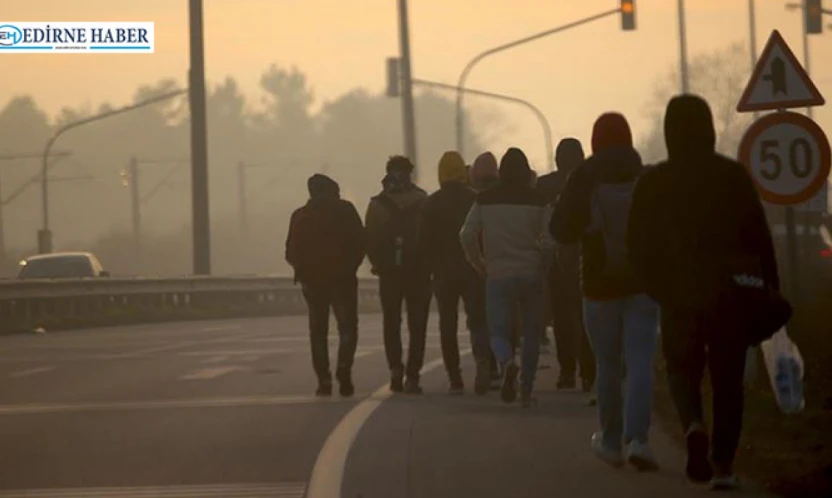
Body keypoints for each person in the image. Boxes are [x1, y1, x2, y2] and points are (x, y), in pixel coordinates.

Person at [627, 95, 781, 490]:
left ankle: (694, 424)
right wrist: (770, 289)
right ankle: (724, 465)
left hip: (678, 294)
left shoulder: (654, 181)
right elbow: (759, 237)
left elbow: (637, 245)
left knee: (681, 368)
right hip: (730, 294)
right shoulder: (731, 176)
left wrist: (655, 286)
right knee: (728, 378)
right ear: (709, 128)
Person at [551, 113, 659, 471]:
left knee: (608, 364)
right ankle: (639, 439)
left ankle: (611, 441)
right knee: (640, 360)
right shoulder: (644, 175)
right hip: (643, 283)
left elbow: (560, 230)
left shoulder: (584, 176)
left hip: (598, 285)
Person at [460, 147, 551, 408]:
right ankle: (526, 391)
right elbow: (549, 241)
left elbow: (465, 234)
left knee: (497, 331)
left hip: (497, 274)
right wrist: (543, 265)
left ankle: (506, 362)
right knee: (532, 334)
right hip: (532, 273)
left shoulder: (485, 199)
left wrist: (478, 263)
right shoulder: (539, 199)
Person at [285, 174, 365, 397]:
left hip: (312, 283)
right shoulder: (346, 211)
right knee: (347, 327)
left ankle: (324, 380)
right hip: (343, 281)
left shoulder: (300, 215)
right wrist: (350, 267)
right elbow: (361, 242)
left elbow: (289, 251)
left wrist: (305, 271)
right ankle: (344, 369)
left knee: (318, 331)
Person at [420, 151, 491, 395]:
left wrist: (430, 269)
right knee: (478, 320)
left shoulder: (431, 203)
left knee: (447, 324)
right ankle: (483, 364)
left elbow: (423, 242)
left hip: (443, 273)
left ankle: (455, 377)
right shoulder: (475, 199)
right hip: (472, 270)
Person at [365, 156, 432, 394]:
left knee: (391, 323)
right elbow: (430, 238)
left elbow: (369, 240)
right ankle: (413, 376)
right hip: (418, 273)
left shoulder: (376, 205)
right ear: (410, 172)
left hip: (389, 274)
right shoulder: (423, 201)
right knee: (417, 325)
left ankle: (395, 369)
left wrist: (378, 265)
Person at [537, 139, 597, 394]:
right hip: (587, 259)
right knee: (586, 320)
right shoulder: (592, 182)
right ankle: (588, 373)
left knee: (561, 320)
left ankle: (567, 372)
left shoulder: (544, 185)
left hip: (556, 262)